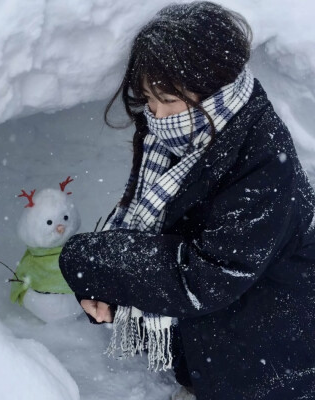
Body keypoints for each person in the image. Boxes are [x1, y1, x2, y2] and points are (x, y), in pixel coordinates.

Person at [58, 2, 315, 399]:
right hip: (222, 323)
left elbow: (205, 277)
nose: (157, 115)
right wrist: (109, 289)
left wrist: (93, 263)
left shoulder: (264, 161)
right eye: (148, 98)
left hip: (270, 344)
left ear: (213, 84)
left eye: (168, 99)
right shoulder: (190, 125)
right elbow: (157, 226)